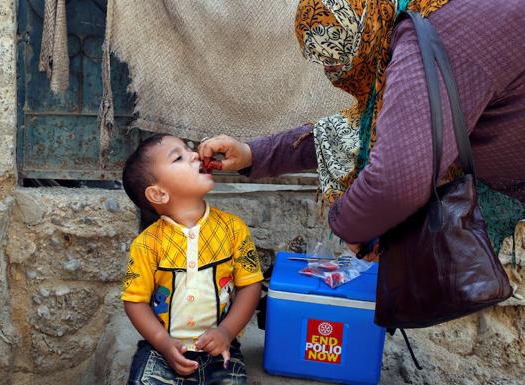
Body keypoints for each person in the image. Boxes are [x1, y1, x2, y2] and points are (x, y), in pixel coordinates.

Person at [198, 0, 525, 258]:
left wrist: (352, 224)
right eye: (323, 62)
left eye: (339, 58)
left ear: (362, 28)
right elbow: (364, 130)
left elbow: (397, 179)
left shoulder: (433, 34)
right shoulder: (417, 20)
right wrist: (253, 154)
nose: (335, 74)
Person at [121, 133, 263, 384]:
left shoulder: (233, 229)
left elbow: (250, 285)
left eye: (189, 150)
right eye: (178, 157)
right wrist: (163, 343)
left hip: (221, 349)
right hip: (161, 351)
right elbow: (135, 301)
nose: (195, 154)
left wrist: (227, 332)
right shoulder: (146, 244)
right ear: (159, 194)